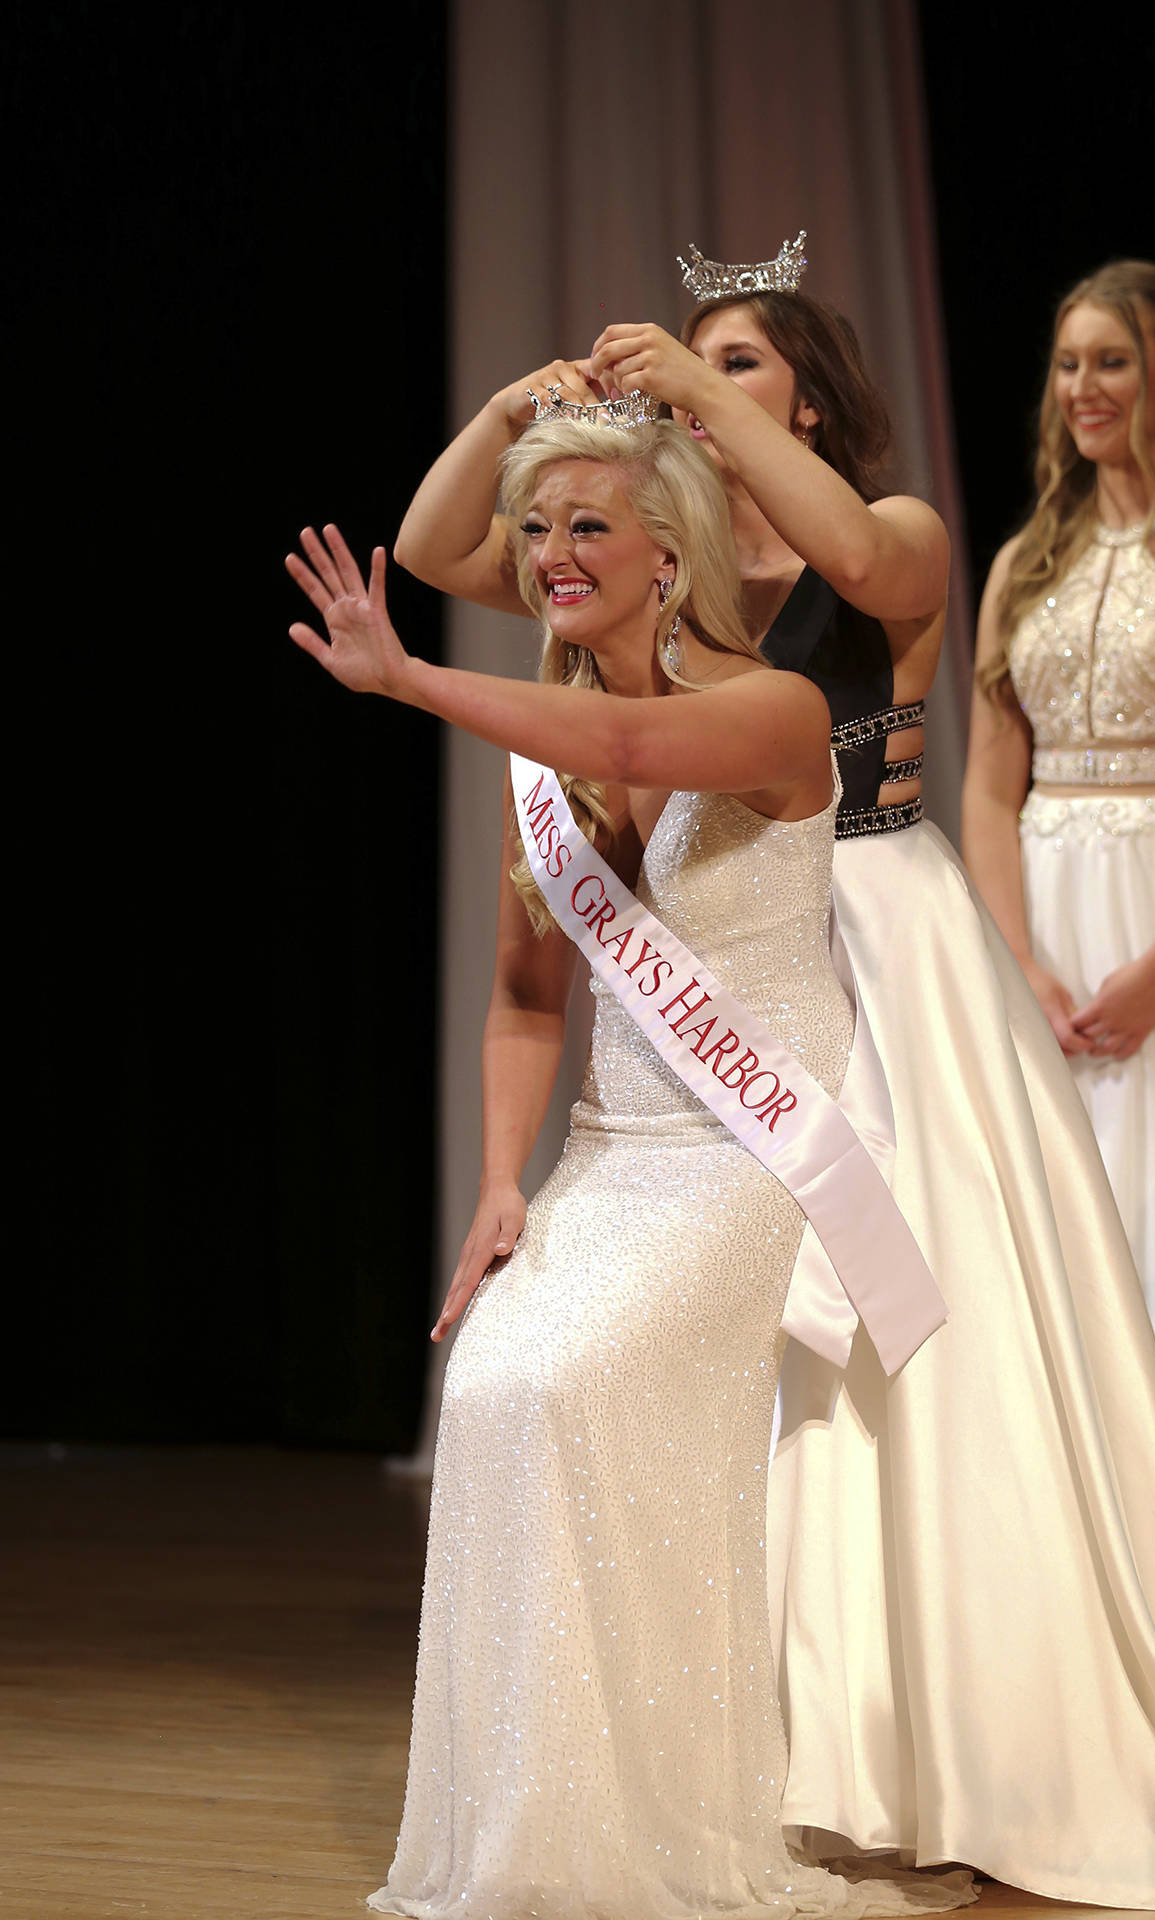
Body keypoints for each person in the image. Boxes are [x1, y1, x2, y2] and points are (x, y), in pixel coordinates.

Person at [392, 246, 1155, 1909]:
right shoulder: (668, 554)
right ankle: (742, 1743)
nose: (689, 379)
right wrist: (538, 402)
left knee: (909, 1361)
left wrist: (698, 383)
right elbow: (447, 550)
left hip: (874, 939)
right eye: (686, 357)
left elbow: (867, 558)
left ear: (801, 390)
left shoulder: (901, 536)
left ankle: (942, 1738)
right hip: (727, 945)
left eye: (736, 360)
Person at [287, 414, 977, 1920]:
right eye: (536, 532)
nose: (551, 560)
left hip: (753, 1154)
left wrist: (405, 677)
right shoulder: (545, 772)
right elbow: (528, 996)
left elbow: (624, 738)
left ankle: (673, 1820)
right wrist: (497, 1185)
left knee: (572, 1380)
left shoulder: (778, 709)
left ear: (673, 556)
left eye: (589, 529)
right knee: (491, 1383)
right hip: (611, 1156)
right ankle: (543, 1831)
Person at [962, 259, 1155, 1735]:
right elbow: (983, 784)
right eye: (1069, 363)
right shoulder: (1022, 560)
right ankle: (1080, 1685)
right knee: (1068, 1294)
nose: (1084, 390)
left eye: (1113, 363)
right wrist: (1016, 960)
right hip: (1047, 939)